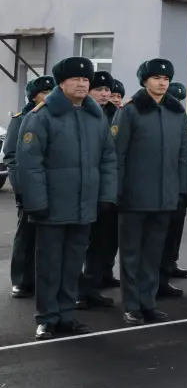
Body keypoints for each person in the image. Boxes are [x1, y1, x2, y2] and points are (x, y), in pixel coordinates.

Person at [19, 57, 116, 339]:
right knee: (49, 265)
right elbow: (30, 163)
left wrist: (106, 196)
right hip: (52, 206)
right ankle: (47, 318)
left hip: (84, 205)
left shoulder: (95, 116)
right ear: (62, 84)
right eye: (76, 80)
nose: (82, 84)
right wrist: (37, 203)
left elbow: (108, 159)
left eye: (86, 80)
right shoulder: (41, 116)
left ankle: (66, 315)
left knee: (73, 264)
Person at [113, 58, 187, 325]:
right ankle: (132, 305)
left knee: (154, 254)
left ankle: (148, 302)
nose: (162, 82)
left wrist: (180, 190)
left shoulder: (176, 112)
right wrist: (116, 192)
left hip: (165, 196)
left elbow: (183, 156)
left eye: (166, 79)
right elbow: (117, 155)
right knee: (132, 255)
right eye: (156, 78)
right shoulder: (130, 111)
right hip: (134, 196)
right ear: (145, 81)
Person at [6, 75, 55, 299]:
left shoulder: (56, 116)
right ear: (34, 97)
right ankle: (21, 280)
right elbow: (12, 157)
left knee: (49, 238)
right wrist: (21, 189)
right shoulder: (22, 118)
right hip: (29, 186)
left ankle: (42, 279)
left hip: (52, 186)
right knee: (26, 235)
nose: (49, 96)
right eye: (45, 93)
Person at [77, 70, 121, 309]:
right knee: (78, 244)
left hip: (106, 189)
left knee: (102, 243)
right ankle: (75, 291)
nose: (104, 94)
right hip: (83, 188)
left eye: (108, 90)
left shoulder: (117, 115)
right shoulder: (80, 113)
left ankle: (92, 288)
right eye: (99, 90)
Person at [159, 81, 187, 298]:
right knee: (157, 237)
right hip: (155, 188)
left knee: (174, 231)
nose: (177, 102)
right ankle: (157, 279)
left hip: (176, 186)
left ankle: (170, 264)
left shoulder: (180, 117)